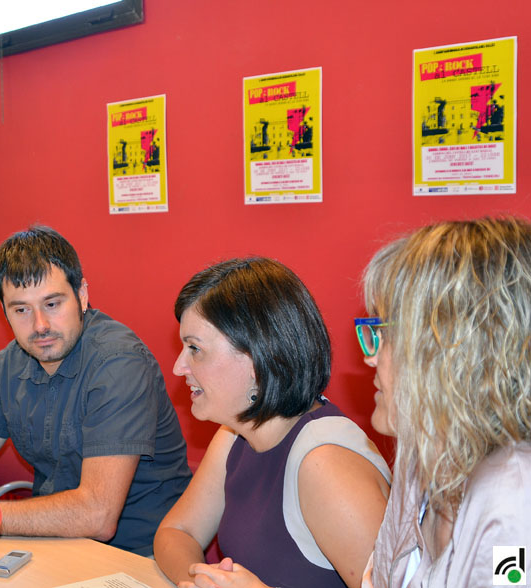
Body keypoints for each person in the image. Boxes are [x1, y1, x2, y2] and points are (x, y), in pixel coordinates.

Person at [0, 225, 192, 555]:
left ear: (82, 295)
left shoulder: (119, 363)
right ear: (4, 312)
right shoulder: (11, 363)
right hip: (55, 545)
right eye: (22, 310)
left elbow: (97, 514)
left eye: (52, 304)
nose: (40, 325)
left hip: (139, 557)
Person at [154, 258, 391, 588]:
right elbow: (177, 532)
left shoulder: (326, 467)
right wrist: (197, 581)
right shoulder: (236, 434)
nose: (180, 367)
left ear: (257, 358)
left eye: (195, 349)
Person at [359, 217, 531, 587]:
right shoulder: (420, 457)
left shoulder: (515, 496)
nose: (370, 357)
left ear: (452, 353)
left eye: (385, 334)